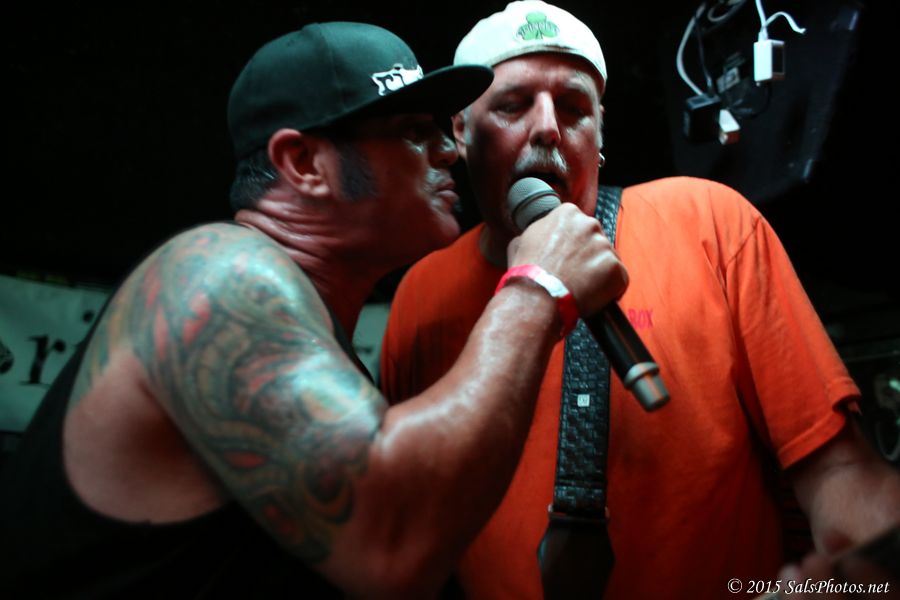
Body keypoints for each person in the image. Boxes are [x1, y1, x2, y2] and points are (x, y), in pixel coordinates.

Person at [0, 21, 627, 599]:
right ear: (304, 165)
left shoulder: (318, 342)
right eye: (413, 130)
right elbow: (393, 542)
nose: (447, 151)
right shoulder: (216, 274)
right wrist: (537, 286)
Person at [380, 2, 900, 598]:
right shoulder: (421, 293)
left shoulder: (710, 224)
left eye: (574, 107)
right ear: (461, 132)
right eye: (513, 104)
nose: (548, 127)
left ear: (599, 133)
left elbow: (839, 470)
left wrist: (862, 575)